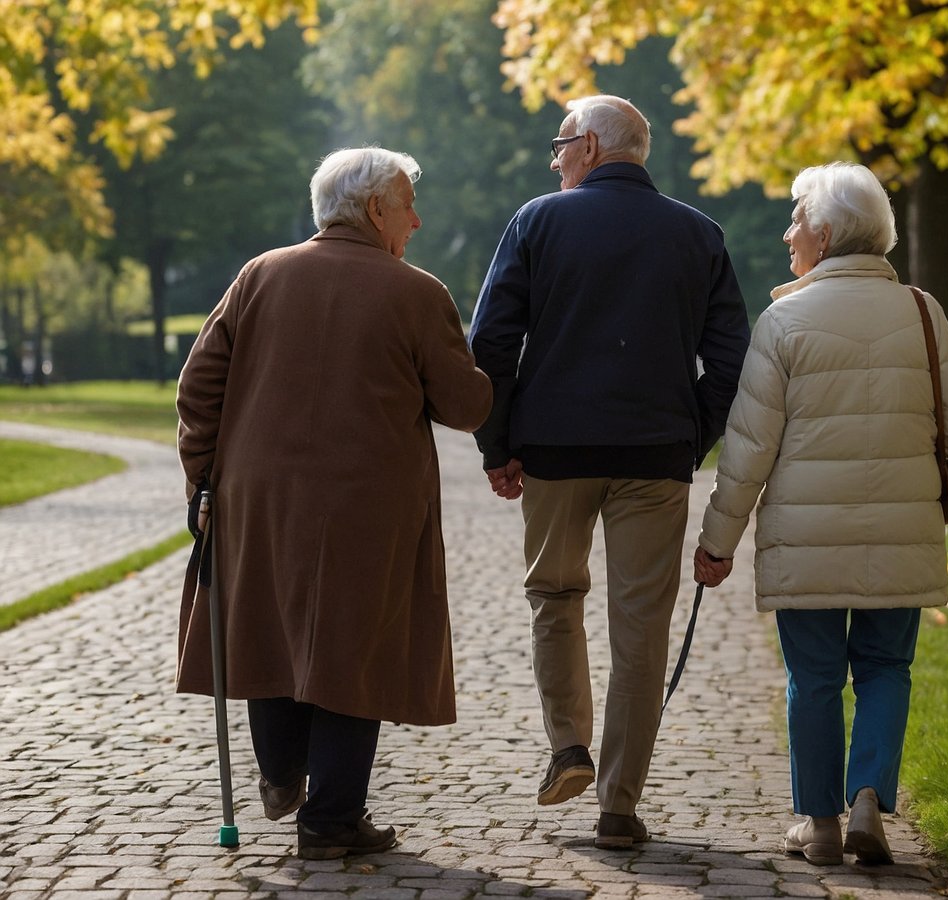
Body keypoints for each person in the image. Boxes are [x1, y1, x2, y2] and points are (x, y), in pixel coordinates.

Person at [175, 147, 492, 860]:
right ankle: (330, 823)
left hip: (259, 495)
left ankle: (282, 772)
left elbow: (199, 387)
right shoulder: (416, 293)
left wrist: (203, 479)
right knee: (358, 650)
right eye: (407, 202)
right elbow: (465, 406)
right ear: (375, 209)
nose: (417, 218)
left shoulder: (260, 275)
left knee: (267, 625)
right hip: (368, 501)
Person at [468, 95, 750, 849]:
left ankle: (568, 746)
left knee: (554, 596)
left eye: (561, 144)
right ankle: (619, 803)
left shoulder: (536, 222)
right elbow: (730, 358)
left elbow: (491, 343)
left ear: (590, 146)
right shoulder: (700, 234)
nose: (554, 158)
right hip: (655, 457)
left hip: (554, 454)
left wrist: (497, 445)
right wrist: (690, 435)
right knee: (640, 629)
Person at [693, 162, 948, 866]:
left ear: (822, 235)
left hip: (808, 538)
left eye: (796, 220)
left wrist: (717, 541)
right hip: (901, 530)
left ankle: (818, 824)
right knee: (885, 669)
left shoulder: (786, 319)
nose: (789, 233)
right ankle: (869, 803)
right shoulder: (922, 310)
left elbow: (750, 448)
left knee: (813, 678)